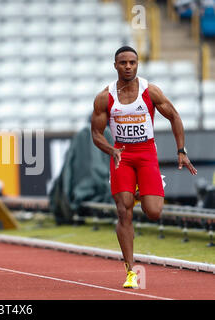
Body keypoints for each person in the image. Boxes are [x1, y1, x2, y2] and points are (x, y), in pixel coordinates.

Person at [91, 46, 197, 289]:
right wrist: (111, 150)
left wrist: (181, 151)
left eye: (132, 62)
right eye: (123, 63)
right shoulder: (105, 97)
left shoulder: (150, 91)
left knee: (154, 212)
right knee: (123, 210)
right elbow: (96, 133)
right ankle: (130, 271)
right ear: (115, 65)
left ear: (137, 65)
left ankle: (143, 190)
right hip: (122, 156)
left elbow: (175, 116)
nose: (128, 66)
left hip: (147, 153)